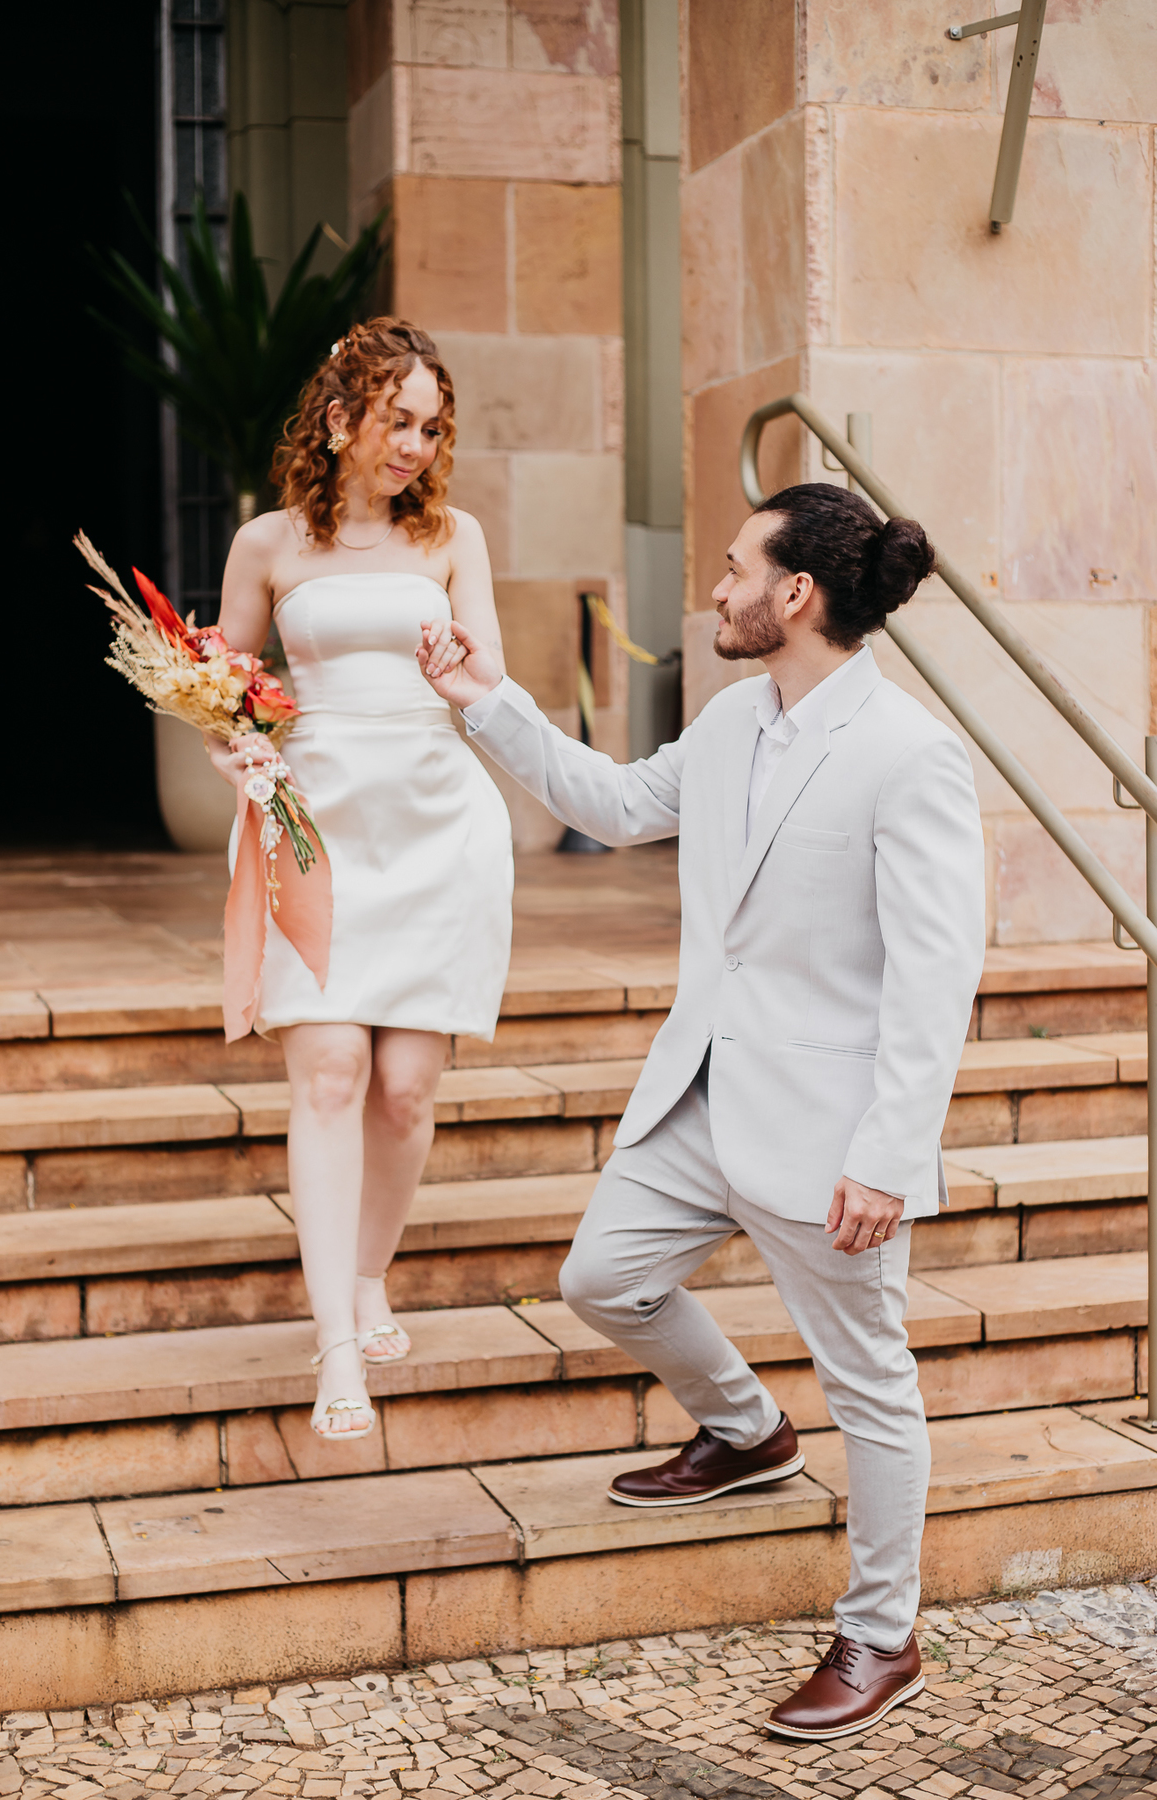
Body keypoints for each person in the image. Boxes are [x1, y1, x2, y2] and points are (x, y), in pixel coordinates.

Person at [416, 483, 985, 1742]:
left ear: (797, 593)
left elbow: (937, 975)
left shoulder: (910, 753)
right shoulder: (733, 718)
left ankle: (882, 1636)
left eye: (735, 569)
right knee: (601, 1277)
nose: (717, 590)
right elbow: (617, 806)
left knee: (871, 1385)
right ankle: (746, 1429)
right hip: (699, 1095)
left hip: (830, 1135)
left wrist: (889, 1156)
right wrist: (483, 701)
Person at [206, 318, 513, 1441]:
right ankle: (336, 1338)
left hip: (437, 824)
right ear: (339, 419)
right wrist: (235, 747)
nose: (415, 448)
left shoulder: (455, 538)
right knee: (332, 1070)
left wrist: (459, 666)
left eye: (431, 428)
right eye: (397, 422)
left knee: (406, 1089)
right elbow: (221, 691)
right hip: (315, 825)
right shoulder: (267, 544)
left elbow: (489, 676)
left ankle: (372, 1272)